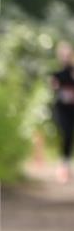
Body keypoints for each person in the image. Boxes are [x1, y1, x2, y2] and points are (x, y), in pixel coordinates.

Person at [50, 41, 74, 183]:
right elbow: (55, 88)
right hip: (63, 110)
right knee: (67, 134)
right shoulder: (57, 74)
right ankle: (64, 166)